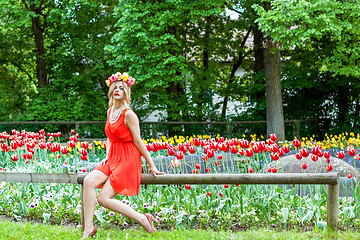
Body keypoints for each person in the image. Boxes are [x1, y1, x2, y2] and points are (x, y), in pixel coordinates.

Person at [81, 72, 165, 239]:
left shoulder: (128, 114)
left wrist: (152, 165)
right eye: (115, 87)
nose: (118, 90)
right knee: (88, 181)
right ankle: (88, 228)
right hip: (113, 157)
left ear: (126, 92)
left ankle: (142, 219)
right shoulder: (110, 111)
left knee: (103, 199)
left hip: (128, 159)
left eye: (122, 88)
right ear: (111, 91)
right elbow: (110, 138)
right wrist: (107, 155)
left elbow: (139, 141)